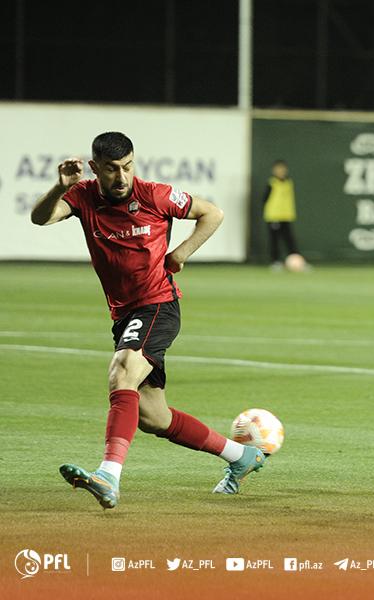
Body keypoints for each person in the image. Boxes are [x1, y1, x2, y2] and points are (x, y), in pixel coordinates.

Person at [31, 132, 266, 509]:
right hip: (125, 314)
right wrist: (60, 187)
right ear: (95, 168)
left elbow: (212, 213)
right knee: (153, 416)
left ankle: (108, 475)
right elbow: (40, 218)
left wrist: (181, 253)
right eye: (112, 169)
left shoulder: (155, 195)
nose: (121, 176)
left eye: (127, 167)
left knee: (122, 371)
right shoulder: (83, 196)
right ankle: (241, 457)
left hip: (157, 305)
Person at [262, 159, 307, 271]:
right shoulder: (271, 183)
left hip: (286, 216)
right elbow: (264, 200)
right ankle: (275, 262)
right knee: (275, 241)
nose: (281, 171)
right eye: (278, 169)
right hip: (274, 217)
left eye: (282, 169)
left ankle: (298, 262)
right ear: (274, 170)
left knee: (290, 240)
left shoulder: (288, 183)